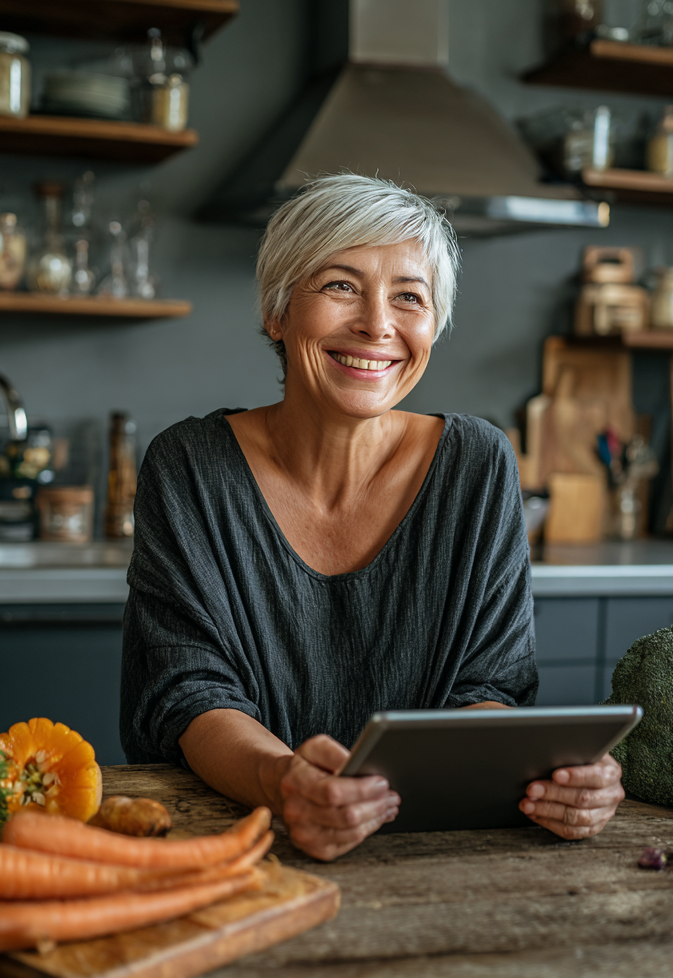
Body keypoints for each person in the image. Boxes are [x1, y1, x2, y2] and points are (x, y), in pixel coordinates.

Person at [120, 174, 625, 860]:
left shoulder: (477, 464)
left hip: (435, 856)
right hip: (236, 848)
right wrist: (283, 779)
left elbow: (488, 685)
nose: (377, 324)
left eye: (409, 297)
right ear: (277, 312)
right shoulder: (189, 466)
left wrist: (555, 782)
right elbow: (186, 689)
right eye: (339, 286)